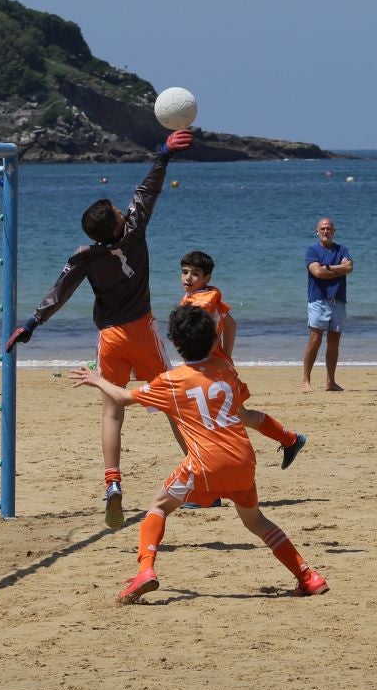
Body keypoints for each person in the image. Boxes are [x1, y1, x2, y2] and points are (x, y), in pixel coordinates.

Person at [72, 305, 328, 604]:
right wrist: (284, 436)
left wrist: (97, 379)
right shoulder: (226, 371)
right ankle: (308, 576)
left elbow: (123, 397)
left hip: (204, 464)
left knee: (157, 507)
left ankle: (145, 571)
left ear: (176, 344)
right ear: (211, 339)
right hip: (243, 461)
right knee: (256, 521)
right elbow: (245, 415)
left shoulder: (171, 381)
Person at [7, 127, 194, 527]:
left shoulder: (86, 257)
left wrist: (31, 324)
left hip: (109, 339)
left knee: (112, 412)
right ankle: (196, 479)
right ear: (115, 224)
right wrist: (162, 154)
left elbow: (58, 293)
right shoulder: (134, 234)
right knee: (175, 405)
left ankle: (112, 484)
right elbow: (147, 193)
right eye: (118, 212)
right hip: (142, 332)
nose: (125, 212)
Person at [181, 250, 308, 466]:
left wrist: (217, 358)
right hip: (219, 367)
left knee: (207, 421)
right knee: (242, 415)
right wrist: (226, 355)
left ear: (207, 278)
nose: (188, 277)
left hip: (212, 372)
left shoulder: (202, 304)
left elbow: (209, 336)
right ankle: (291, 439)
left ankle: (211, 484)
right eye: (184, 272)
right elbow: (231, 325)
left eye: (195, 273)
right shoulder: (202, 297)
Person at [302, 217, 352, 392]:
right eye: (322, 229)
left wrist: (327, 268)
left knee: (334, 342)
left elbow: (349, 268)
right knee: (315, 340)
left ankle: (330, 381)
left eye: (328, 229)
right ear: (317, 231)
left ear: (333, 231)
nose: (325, 231)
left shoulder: (342, 249)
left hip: (338, 300)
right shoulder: (312, 250)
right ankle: (306, 380)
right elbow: (317, 272)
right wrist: (338, 268)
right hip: (318, 300)